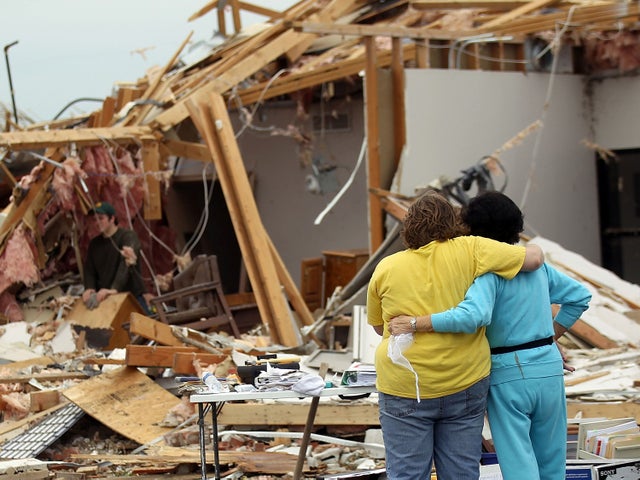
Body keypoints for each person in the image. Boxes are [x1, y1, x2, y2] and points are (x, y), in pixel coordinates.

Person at [390, 191, 592, 480]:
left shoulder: (489, 273)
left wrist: (415, 323)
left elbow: (473, 315)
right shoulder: (539, 269)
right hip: (547, 365)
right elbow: (579, 297)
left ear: (472, 231)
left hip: (507, 371)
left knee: (518, 461)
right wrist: (552, 337)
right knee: (552, 462)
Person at [366, 190, 545, 480]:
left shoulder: (386, 267)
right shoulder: (471, 249)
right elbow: (534, 259)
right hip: (465, 381)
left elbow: (379, 327)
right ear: (452, 222)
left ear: (409, 226)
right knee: (461, 473)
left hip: (405, 385)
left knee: (407, 474)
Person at [81, 201, 150, 314]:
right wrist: (89, 287)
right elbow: (89, 269)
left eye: (101, 218)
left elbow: (126, 265)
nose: (97, 223)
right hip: (109, 300)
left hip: (132, 298)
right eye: (94, 219)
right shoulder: (94, 244)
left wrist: (115, 288)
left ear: (112, 219)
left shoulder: (128, 236)